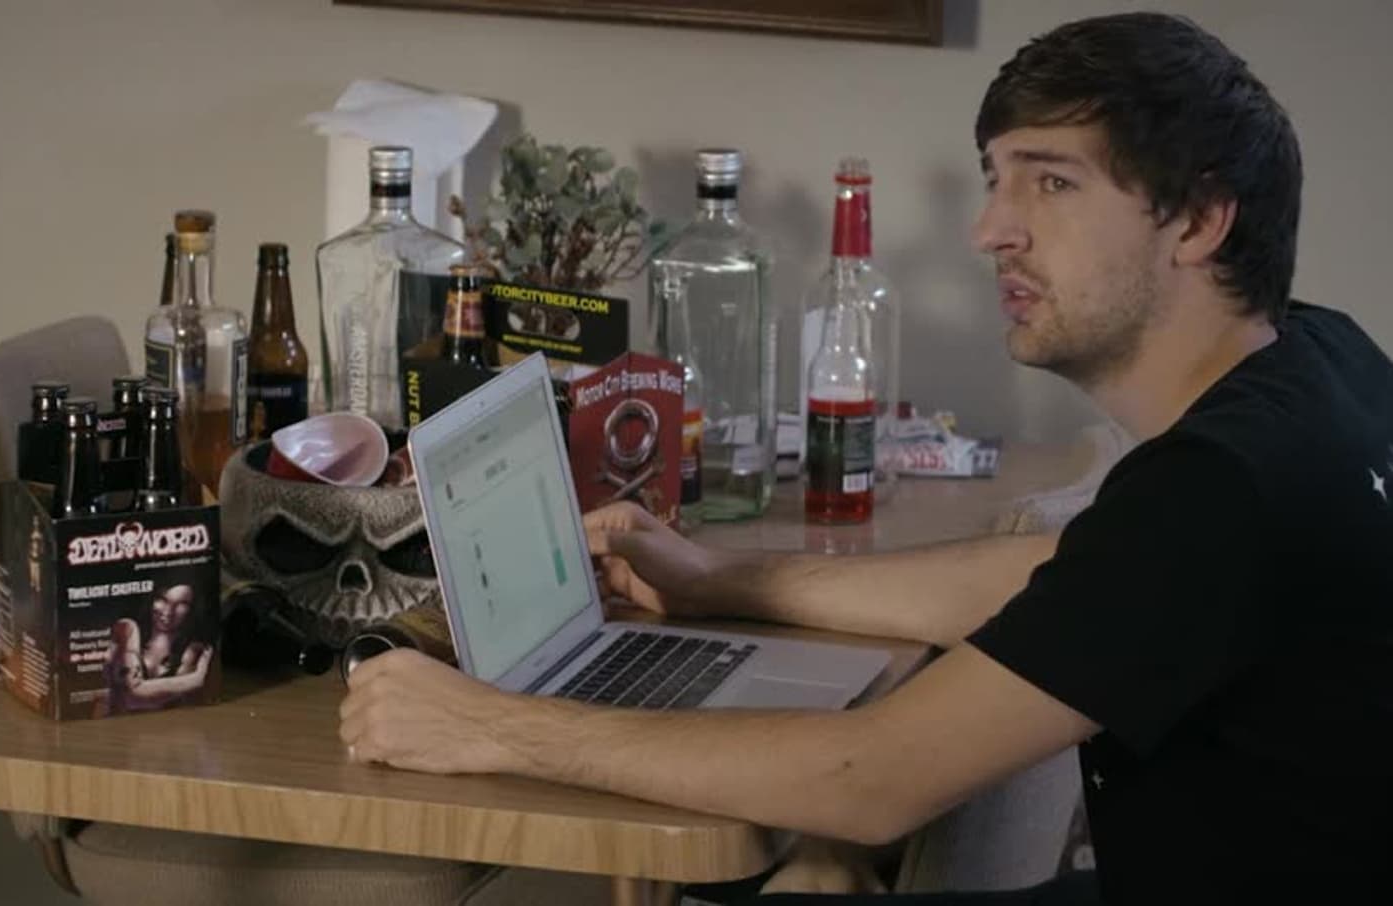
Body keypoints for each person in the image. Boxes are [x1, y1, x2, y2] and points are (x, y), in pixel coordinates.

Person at [339, 12, 1393, 903]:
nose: (992, 230)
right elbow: (1067, 575)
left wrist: (496, 727)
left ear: (1199, 220)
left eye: (1053, 184)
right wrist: (721, 578)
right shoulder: (1320, 362)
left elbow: (871, 778)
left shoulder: (1224, 481)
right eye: (998, 181)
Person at [106, 582, 214, 713]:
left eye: (181, 604)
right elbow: (129, 697)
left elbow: (184, 704)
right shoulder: (127, 628)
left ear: (193, 609)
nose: (169, 611)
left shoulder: (194, 650)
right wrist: (196, 679)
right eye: (162, 599)